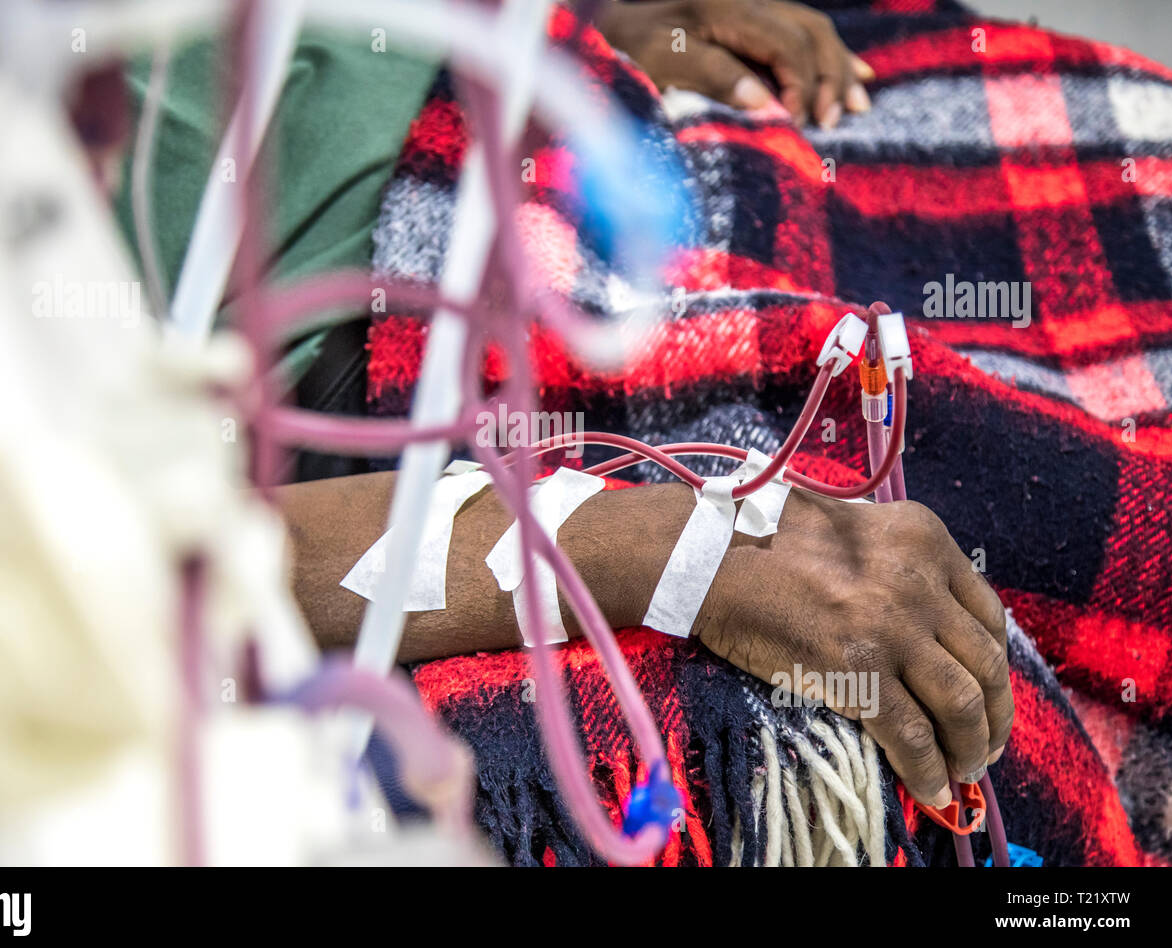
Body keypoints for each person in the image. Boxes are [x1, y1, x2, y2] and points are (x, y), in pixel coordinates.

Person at [111, 0, 1011, 817]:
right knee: (941, 596)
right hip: (387, 350)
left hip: (543, 76)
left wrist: (611, 16)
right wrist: (685, 549)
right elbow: (116, 560)